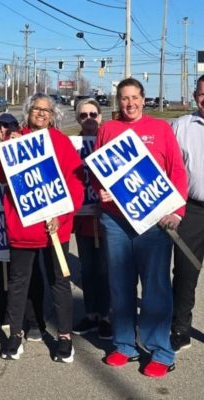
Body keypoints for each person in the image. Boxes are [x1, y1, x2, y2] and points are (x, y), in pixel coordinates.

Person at [94, 78, 188, 378]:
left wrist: (177, 212)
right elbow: (96, 170)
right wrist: (100, 190)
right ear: (117, 100)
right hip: (115, 220)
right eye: (124, 98)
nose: (130, 103)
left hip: (154, 220)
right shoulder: (108, 129)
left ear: (144, 99)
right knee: (120, 286)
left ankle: (161, 350)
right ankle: (124, 345)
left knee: (155, 287)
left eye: (135, 97)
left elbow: (176, 169)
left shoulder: (160, 129)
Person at [0, 94, 84, 362]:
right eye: (36, 109)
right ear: (27, 111)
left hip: (56, 227)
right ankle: (15, 334)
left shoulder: (61, 142)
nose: (41, 113)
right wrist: (4, 149)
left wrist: (62, 213)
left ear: (53, 115)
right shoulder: (15, 139)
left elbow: (75, 184)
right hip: (23, 227)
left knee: (59, 281)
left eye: (46, 110)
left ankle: (64, 336)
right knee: (19, 282)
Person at [0, 113, 46, 342]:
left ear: (17, 128)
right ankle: (3, 313)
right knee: (1, 271)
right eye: (0, 127)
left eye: (9, 126)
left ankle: (35, 320)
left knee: (28, 273)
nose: (4, 131)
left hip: (23, 221)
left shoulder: (27, 149)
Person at [71, 99, 111, 340]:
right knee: (87, 269)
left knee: (106, 269)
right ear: (77, 118)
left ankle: (107, 315)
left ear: (100, 117)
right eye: (83, 114)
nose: (88, 118)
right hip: (83, 218)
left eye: (93, 114)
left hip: (106, 216)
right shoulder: (72, 145)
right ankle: (91, 313)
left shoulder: (109, 142)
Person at [170, 74, 204, 353]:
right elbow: (169, 168)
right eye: (202, 94)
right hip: (192, 209)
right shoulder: (181, 126)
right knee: (184, 270)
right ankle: (180, 327)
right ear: (195, 96)